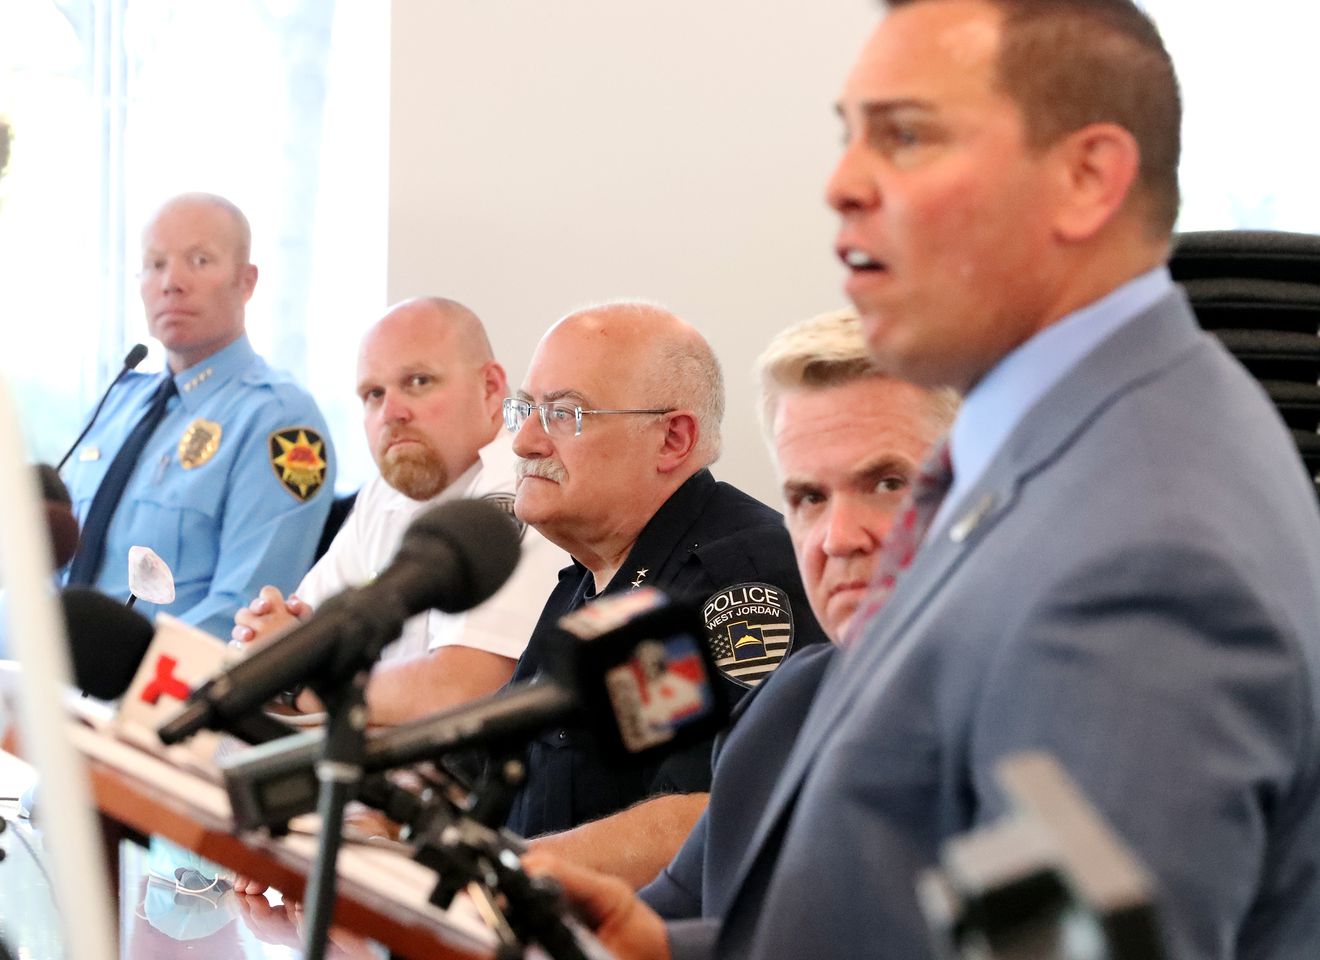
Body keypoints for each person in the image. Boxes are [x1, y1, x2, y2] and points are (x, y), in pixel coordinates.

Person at [524, 2, 1320, 959]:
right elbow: (984, 900)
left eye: (905, 136)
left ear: (1086, 178)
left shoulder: (1143, 542)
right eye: (850, 135)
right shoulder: (1048, 452)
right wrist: (667, 949)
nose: (844, 184)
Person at [638, 308, 956, 920]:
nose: (836, 538)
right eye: (809, 497)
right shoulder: (787, 705)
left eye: (888, 484)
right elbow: (665, 917)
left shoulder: (1038, 714)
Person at [503, 301, 828, 888]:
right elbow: (485, 770)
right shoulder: (589, 576)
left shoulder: (734, 584)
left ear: (673, 439)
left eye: (562, 414)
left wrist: (500, 877)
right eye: (524, 410)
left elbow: (698, 816)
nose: (525, 441)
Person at [231, 298, 566, 725]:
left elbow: (458, 690)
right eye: (373, 394)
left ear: (490, 388)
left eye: (419, 382)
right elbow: (289, 637)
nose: (392, 413)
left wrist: (299, 680)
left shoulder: (525, 489)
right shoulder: (386, 491)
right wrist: (281, 658)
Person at [61, 193, 334, 639]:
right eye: (155, 264)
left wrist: (118, 682)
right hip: (50, 691)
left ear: (246, 282)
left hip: (157, 697)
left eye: (200, 260)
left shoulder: (279, 423)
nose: (171, 282)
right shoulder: (116, 404)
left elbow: (243, 617)